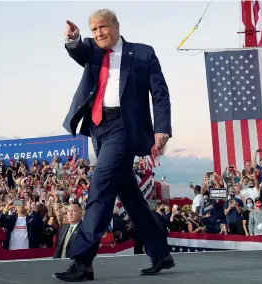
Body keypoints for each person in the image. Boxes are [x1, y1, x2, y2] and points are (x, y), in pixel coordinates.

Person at [54, 8, 173, 282]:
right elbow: (78, 52)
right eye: (93, 30)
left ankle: (83, 261)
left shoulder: (143, 53)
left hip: (125, 127)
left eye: (102, 28)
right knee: (129, 195)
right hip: (99, 126)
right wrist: (73, 39)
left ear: (116, 26)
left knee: (101, 186)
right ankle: (161, 253)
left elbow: (160, 93)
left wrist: (162, 129)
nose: (98, 34)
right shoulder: (92, 50)